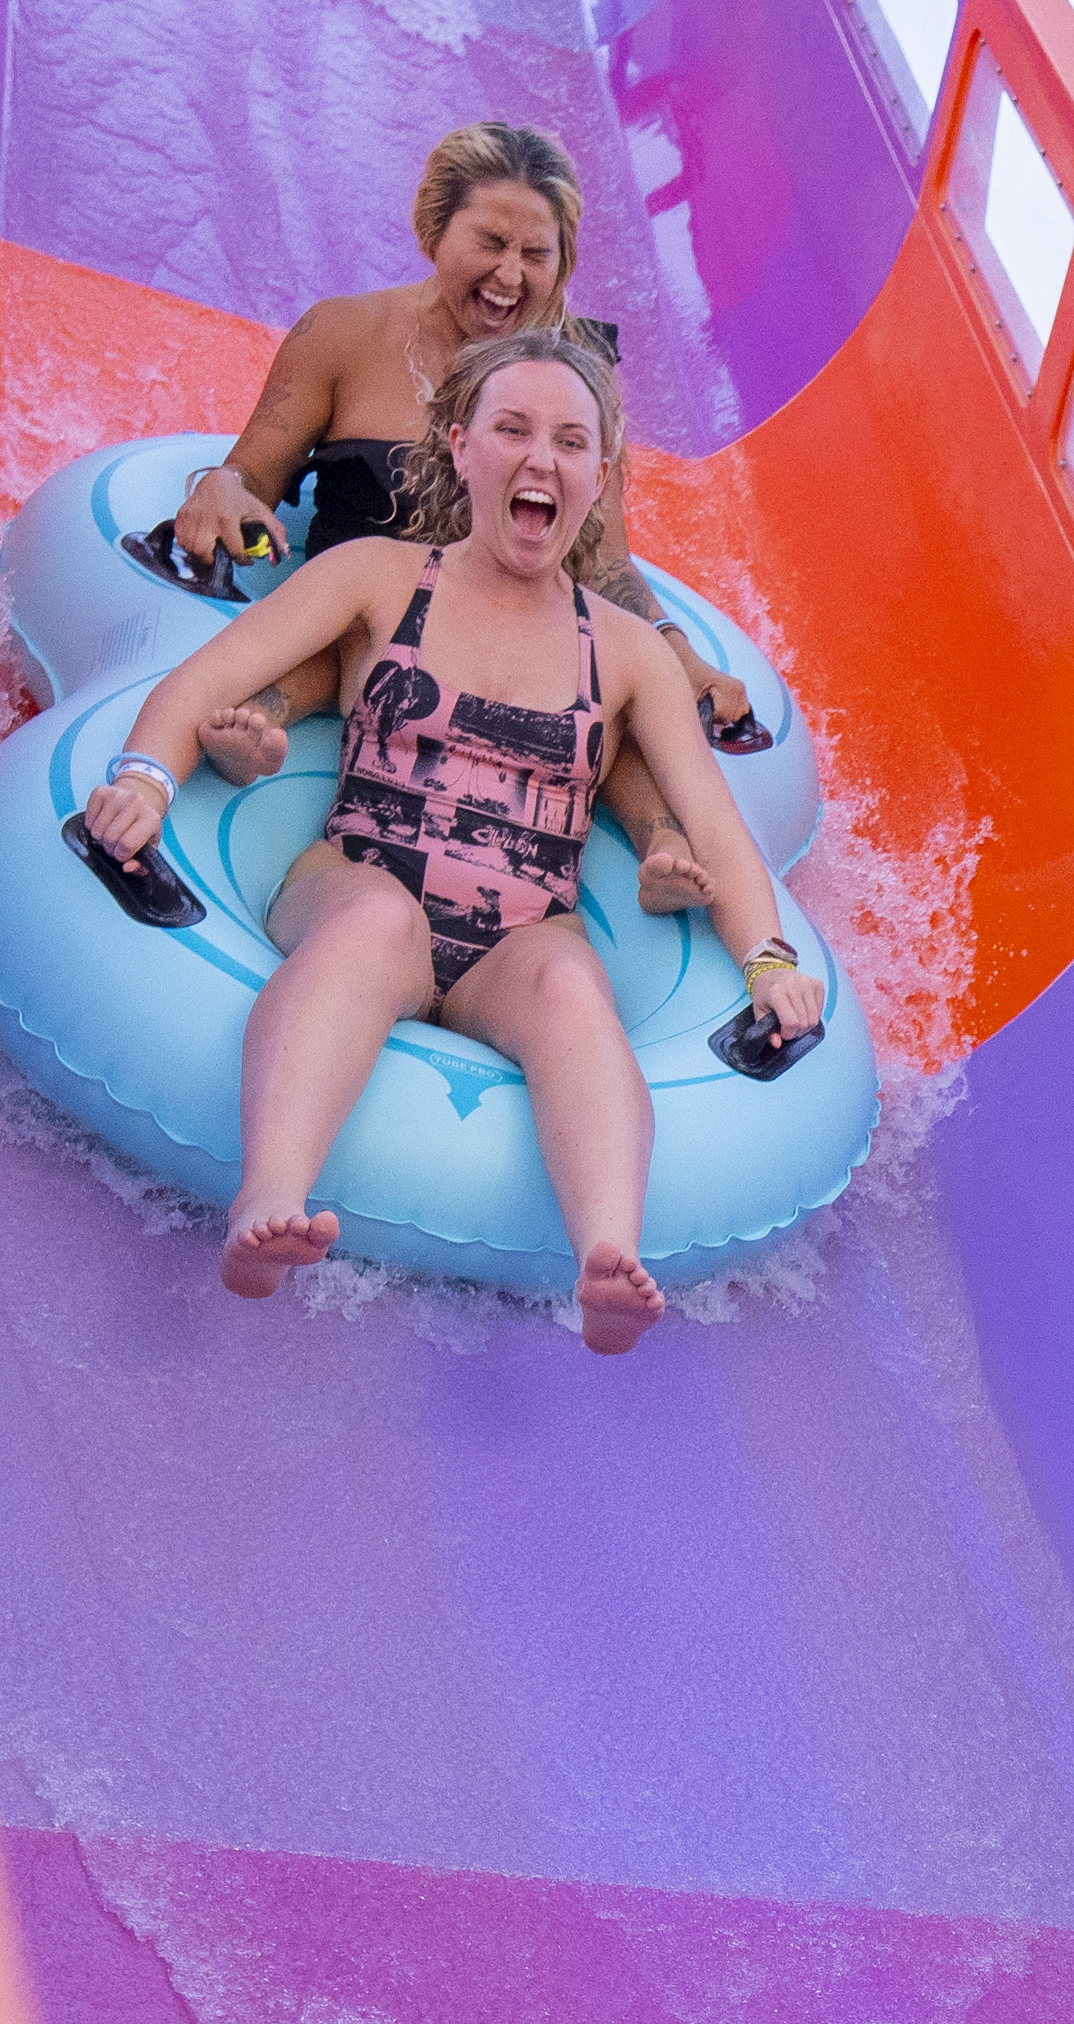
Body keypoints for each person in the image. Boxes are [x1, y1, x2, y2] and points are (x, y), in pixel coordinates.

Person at [81, 324, 817, 1352]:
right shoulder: (381, 580)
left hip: (518, 938)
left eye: (568, 442)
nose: (538, 459)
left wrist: (770, 962)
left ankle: (607, 1255)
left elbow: (721, 835)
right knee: (376, 922)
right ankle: (270, 1198)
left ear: (597, 478)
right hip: (358, 874)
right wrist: (147, 782)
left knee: (570, 986)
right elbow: (199, 684)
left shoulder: (631, 656)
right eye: (511, 429)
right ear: (460, 446)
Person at [167, 120, 777, 750]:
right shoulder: (342, 337)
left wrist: (677, 653)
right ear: (436, 231)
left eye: (536, 254)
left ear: (562, 264)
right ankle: (254, 724)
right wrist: (223, 484)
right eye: (490, 242)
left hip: (511, 656)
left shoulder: (576, 385)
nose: (509, 275)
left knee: (624, 716)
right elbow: (251, 476)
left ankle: (668, 843)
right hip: (347, 631)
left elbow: (601, 559)